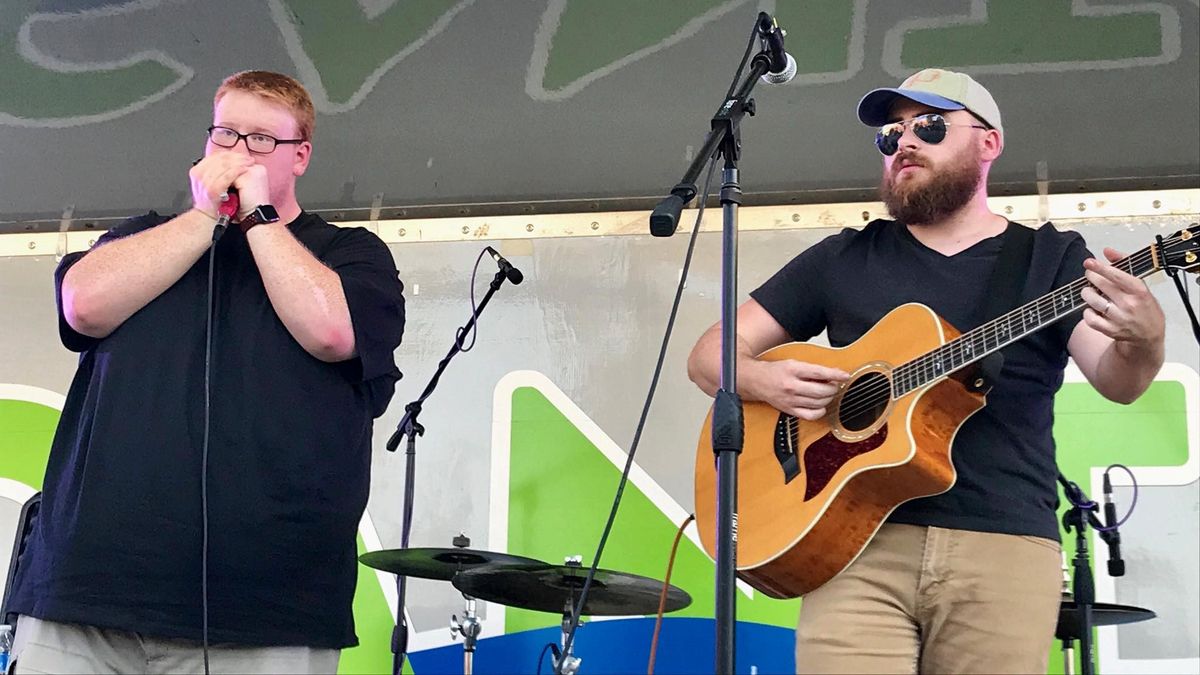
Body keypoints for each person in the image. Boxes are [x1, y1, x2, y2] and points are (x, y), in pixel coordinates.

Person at [686, 68, 1165, 673]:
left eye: (930, 126)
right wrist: (760, 380)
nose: (905, 142)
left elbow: (1119, 380)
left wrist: (1145, 341)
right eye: (892, 134)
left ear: (988, 143)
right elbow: (710, 354)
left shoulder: (1051, 259)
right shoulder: (845, 256)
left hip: (1003, 545)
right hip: (855, 546)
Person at [7, 70, 406, 674]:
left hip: (263, 614)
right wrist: (203, 218)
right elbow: (81, 305)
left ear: (301, 157)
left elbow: (331, 331)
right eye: (226, 135)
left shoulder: (349, 255)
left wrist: (258, 220)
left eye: (261, 140)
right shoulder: (143, 238)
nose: (240, 152)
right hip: (86, 595)